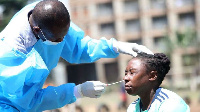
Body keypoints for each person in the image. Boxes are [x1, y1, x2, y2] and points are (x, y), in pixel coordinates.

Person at [0, 0, 153, 112]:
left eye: (64, 36)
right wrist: (76, 92)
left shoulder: (47, 15)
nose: (62, 42)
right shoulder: (11, 56)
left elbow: (79, 47)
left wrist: (117, 46)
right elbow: (32, 101)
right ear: (37, 30)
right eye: (57, 40)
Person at [124, 52, 190, 112]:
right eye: (126, 73)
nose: (125, 78)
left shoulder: (171, 104)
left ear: (152, 76)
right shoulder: (133, 108)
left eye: (132, 73)